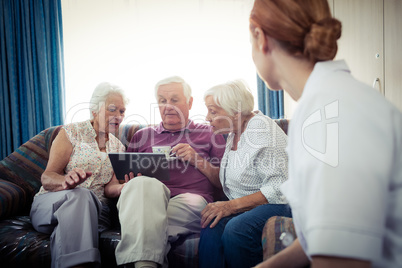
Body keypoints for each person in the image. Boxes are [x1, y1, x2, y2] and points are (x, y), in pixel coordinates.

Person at [248, 1, 402, 267]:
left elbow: (340, 260)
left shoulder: (329, 113)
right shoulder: (323, 103)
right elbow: (319, 239)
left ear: (260, 38)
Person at [106, 76, 226, 268]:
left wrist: (197, 159)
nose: (168, 106)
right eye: (162, 101)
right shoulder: (142, 136)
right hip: (146, 200)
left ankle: (141, 258)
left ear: (190, 102)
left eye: (174, 100)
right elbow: (115, 184)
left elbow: (224, 182)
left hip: (191, 202)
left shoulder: (210, 133)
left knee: (143, 220)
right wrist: (129, 184)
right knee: (144, 185)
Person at [30, 82, 129, 268]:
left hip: (93, 216)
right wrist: (65, 181)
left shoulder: (118, 147)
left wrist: (123, 188)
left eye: (122, 111)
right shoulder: (71, 133)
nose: (118, 116)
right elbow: (47, 176)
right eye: (112, 110)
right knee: (81, 195)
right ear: (94, 110)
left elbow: (109, 188)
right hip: (51, 206)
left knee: (81, 206)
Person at [198, 79, 291, 268]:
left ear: (235, 113)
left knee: (236, 228)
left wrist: (230, 206)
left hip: (283, 202)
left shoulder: (260, 130)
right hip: (252, 206)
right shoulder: (234, 132)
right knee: (211, 224)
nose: (207, 118)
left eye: (213, 111)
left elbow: (279, 188)